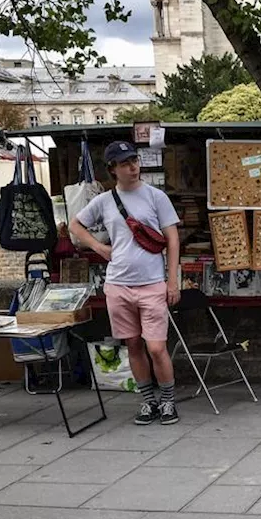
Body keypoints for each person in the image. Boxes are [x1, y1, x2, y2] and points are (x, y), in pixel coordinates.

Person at [69, 141, 182, 425]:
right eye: (124, 163)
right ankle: (148, 401)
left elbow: (172, 239)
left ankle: (168, 401)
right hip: (118, 284)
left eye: (134, 160)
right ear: (113, 169)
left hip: (152, 282)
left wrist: (172, 281)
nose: (132, 167)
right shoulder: (105, 201)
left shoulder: (156, 197)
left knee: (156, 347)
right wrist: (98, 247)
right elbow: (74, 225)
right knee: (132, 344)